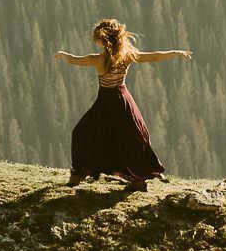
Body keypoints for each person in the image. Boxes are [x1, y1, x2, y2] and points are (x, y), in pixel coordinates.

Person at [54, 19, 191, 191]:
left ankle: (79, 174)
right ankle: (139, 176)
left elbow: (74, 60)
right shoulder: (126, 56)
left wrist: (63, 55)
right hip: (122, 99)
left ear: (104, 41)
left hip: (105, 101)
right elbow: (154, 56)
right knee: (133, 136)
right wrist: (176, 52)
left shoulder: (98, 59)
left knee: (83, 132)